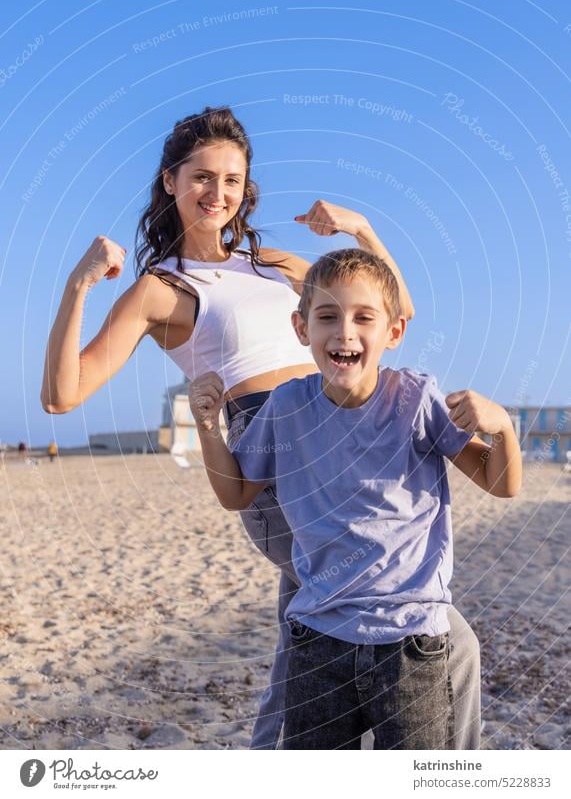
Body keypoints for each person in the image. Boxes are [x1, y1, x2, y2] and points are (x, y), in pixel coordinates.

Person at [42, 105, 480, 750]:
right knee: (443, 636)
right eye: (201, 177)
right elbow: (61, 396)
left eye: (231, 179)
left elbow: (395, 311)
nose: (216, 193)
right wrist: (78, 287)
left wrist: (362, 230)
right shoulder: (162, 290)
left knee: (309, 635)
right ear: (170, 181)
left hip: (350, 437)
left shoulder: (273, 263)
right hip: (274, 464)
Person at [188, 249, 522, 749]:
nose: (345, 331)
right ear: (301, 329)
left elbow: (502, 483)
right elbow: (236, 492)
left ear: (393, 332)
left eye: (364, 317)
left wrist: (504, 429)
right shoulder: (286, 406)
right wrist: (208, 427)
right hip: (319, 641)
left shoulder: (417, 400)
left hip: (412, 644)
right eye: (327, 316)